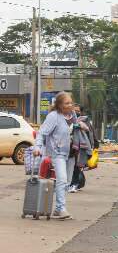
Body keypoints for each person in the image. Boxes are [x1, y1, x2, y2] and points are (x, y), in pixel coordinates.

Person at [33, 92, 78, 220]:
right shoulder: (53, 116)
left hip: (70, 152)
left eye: (71, 102)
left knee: (66, 182)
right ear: (59, 105)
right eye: (66, 103)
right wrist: (37, 147)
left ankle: (58, 208)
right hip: (56, 152)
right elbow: (41, 132)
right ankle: (60, 208)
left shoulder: (72, 114)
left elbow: (74, 125)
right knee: (62, 179)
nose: (70, 105)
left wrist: (81, 125)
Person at [69, 105, 99, 193]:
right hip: (69, 146)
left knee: (77, 166)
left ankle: (74, 184)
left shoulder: (85, 121)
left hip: (81, 147)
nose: (76, 112)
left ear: (81, 112)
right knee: (71, 166)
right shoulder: (69, 120)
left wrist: (95, 145)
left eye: (77, 111)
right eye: (74, 110)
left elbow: (91, 132)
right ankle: (73, 183)